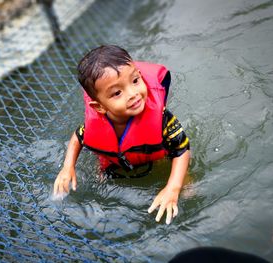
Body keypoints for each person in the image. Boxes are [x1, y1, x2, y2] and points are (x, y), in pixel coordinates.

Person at [53, 45, 190, 224]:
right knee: (100, 185)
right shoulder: (96, 123)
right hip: (115, 162)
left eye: (135, 81)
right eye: (117, 93)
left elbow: (182, 149)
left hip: (155, 157)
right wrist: (67, 167)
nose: (133, 94)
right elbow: (78, 136)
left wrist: (173, 186)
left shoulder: (163, 119)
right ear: (99, 107)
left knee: (186, 191)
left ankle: (182, 180)